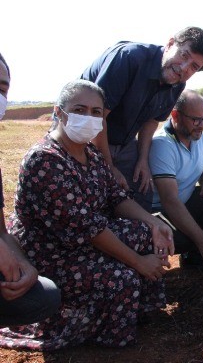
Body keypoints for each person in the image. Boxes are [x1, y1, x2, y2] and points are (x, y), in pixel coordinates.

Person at [0, 80, 174, 350]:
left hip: (86, 240)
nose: (89, 118)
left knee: (145, 232)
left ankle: (139, 311)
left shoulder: (91, 154)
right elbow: (86, 227)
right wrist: (139, 262)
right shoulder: (44, 160)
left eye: (96, 112)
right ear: (59, 112)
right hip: (52, 252)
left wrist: (153, 222)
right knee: (123, 277)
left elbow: (116, 198)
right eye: (79, 109)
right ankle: (95, 332)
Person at [81, 26, 203, 211]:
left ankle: (138, 234)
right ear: (170, 44)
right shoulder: (129, 58)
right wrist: (108, 166)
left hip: (123, 141)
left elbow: (151, 121)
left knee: (140, 190)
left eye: (194, 67)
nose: (184, 68)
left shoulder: (177, 84)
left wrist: (143, 159)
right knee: (89, 197)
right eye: (184, 55)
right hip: (82, 133)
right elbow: (96, 116)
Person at [0, 53, 61, 328]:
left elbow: (1, 232)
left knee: (43, 295)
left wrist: (26, 265)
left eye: (2, 88)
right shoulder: (43, 158)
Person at [149, 90, 203, 269]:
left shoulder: (199, 137)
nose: (201, 125)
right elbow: (170, 201)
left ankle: (195, 259)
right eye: (195, 120)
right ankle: (196, 249)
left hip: (182, 205)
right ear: (175, 115)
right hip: (159, 215)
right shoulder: (162, 144)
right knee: (189, 239)